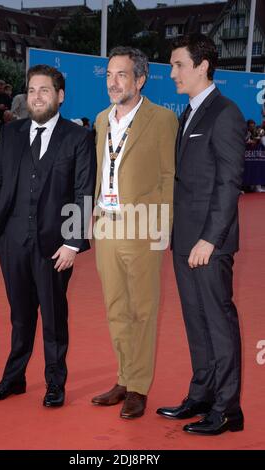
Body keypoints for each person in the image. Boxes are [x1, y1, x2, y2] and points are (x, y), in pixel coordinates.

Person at [0, 65, 96, 407]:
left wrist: (73, 243)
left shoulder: (77, 138)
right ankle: (14, 378)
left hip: (55, 245)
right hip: (11, 240)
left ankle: (54, 382)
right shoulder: (11, 133)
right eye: (32, 90)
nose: (37, 96)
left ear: (60, 96)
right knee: (19, 314)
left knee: (53, 315)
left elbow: (83, 193)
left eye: (44, 90)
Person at [156, 33, 246, 435]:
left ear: (202, 65)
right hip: (184, 238)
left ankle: (228, 410)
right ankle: (203, 394)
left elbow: (229, 183)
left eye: (178, 65)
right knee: (196, 321)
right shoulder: (188, 113)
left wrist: (209, 239)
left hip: (209, 241)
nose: (172, 72)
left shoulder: (225, 112)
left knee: (218, 322)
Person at [92, 47, 178, 419]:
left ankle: (139, 387)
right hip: (106, 226)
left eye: (122, 75)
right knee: (116, 309)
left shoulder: (161, 119)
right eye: (110, 74)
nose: (113, 82)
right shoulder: (100, 120)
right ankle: (124, 377)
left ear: (140, 80)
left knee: (143, 310)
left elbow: (167, 177)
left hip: (143, 227)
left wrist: (160, 227)